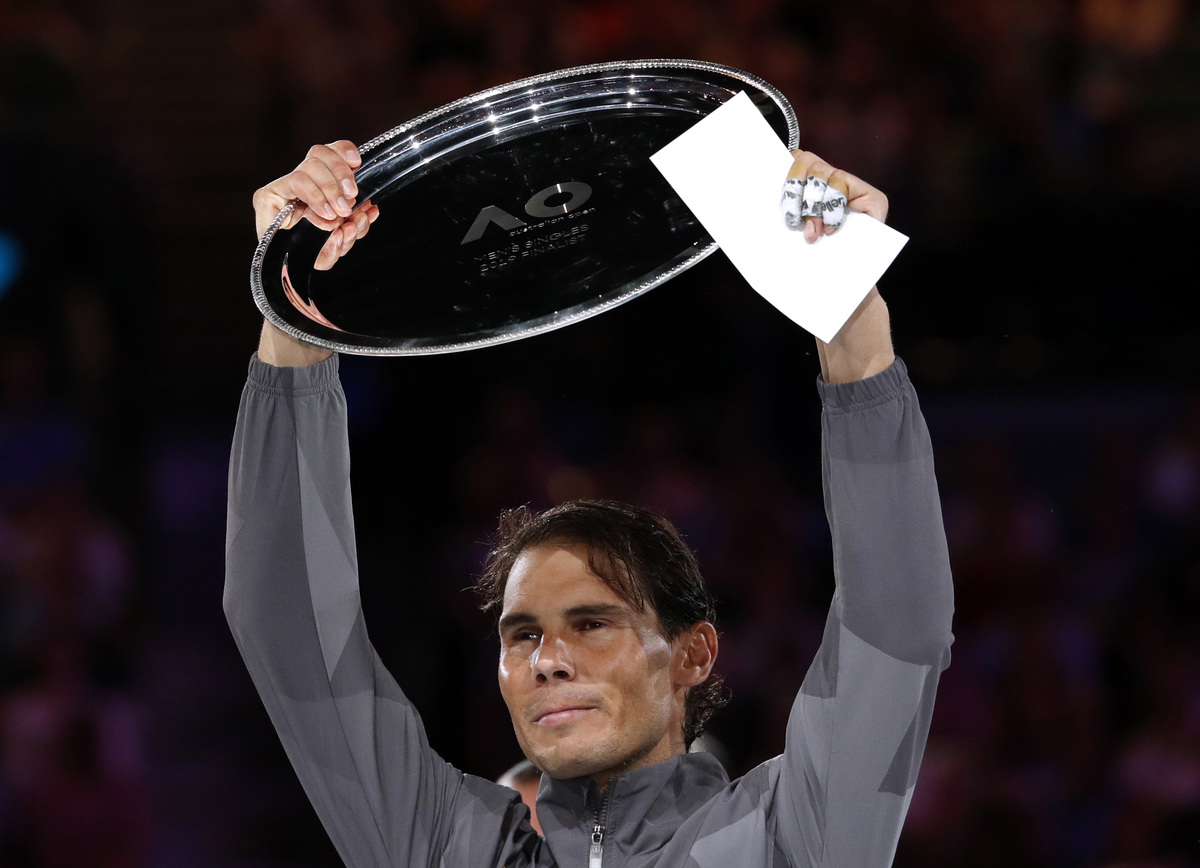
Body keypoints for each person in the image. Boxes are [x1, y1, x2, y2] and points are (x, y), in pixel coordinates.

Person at [225, 140, 954, 868]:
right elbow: (289, 627)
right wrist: (296, 302)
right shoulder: (452, 849)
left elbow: (895, 624)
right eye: (521, 636)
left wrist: (844, 304)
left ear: (694, 653)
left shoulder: (789, 839)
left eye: (593, 623)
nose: (547, 661)